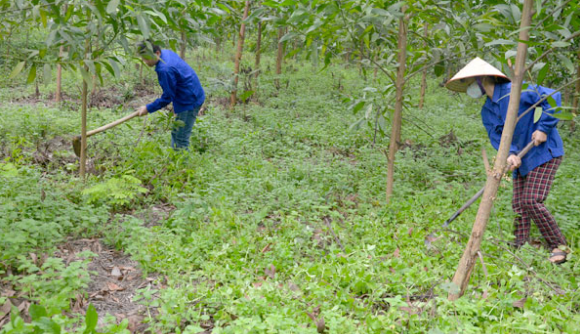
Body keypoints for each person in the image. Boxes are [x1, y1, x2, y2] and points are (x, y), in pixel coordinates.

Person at [445, 57, 568, 264]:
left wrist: (543, 128)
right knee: (519, 205)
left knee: (531, 200)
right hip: (521, 160)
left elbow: (554, 96)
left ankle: (558, 246)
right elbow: (497, 136)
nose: (469, 88)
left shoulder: (517, 90)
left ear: (481, 79)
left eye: (469, 82)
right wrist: (509, 153)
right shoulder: (488, 110)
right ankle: (519, 246)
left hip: (544, 152)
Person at [137, 41, 205, 150]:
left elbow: (167, 97)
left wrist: (148, 108)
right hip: (192, 93)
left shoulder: (165, 69)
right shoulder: (166, 53)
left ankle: (182, 165)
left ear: (157, 53)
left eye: (146, 58)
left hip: (189, 101)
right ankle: (174, 160)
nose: (145, 62)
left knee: (180, 137)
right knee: (177, 133)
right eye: (143, 58)